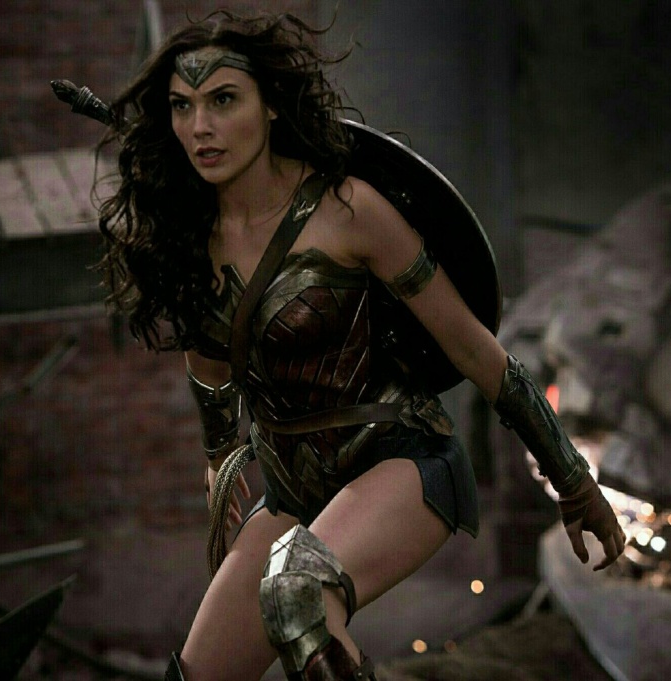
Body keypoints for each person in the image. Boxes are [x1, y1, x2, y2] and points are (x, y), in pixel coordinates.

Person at [91, 10, 625, 681]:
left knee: (297, 593)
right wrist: (220, 462)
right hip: (293, 484)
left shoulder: (348, 209)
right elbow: (210, 366)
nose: (200, 127)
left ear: (270, 106)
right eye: (182, 106)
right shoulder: (187, 236)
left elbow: (474, 349)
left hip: (401, 458)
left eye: (223, 100)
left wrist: (573, 480)